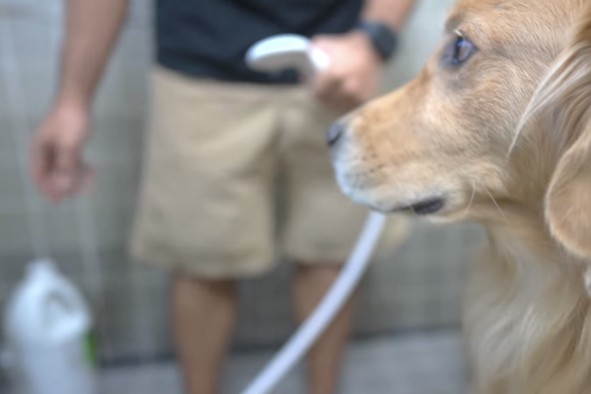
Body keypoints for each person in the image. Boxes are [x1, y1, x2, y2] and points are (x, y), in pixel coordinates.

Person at [30, 1, 415, 394]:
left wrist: (373, 39)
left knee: (333, 249)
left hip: (341, 62)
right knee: (200, 257)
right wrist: (72, 99)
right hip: (200, 67)